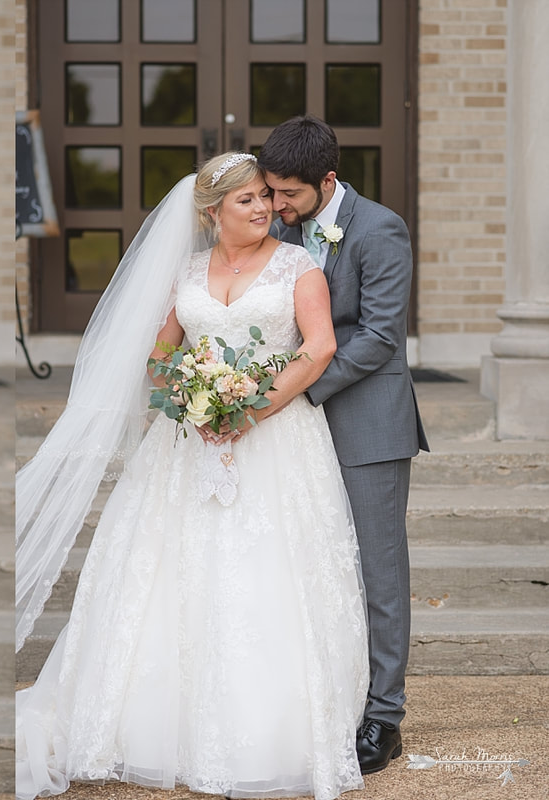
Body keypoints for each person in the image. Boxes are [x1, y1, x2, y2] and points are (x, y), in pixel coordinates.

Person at [15, 153, 370, 800]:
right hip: (188, 441)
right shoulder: (185, 272)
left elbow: (317, 348)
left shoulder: (298, 267)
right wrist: (184, 392)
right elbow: (158, 350)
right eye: (246, 200)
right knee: (171, 571)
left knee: (265, 572)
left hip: (277, 441)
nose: (263, 208)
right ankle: (156, 727)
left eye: (265, 196)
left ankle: (271, 735)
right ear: (211, 214)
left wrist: (249, 408)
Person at [258, 115, 429, 776]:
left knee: (377, 572)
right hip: (295, 430)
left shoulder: (379, 228)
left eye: (288, 195)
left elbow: (381, 335)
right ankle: (327, 697)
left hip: (365, 422)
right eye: (270, 193)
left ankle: (382, 715)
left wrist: (297, 387)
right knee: (314, 563)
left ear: (326, 180)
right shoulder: (279, 227)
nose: (276, 206)